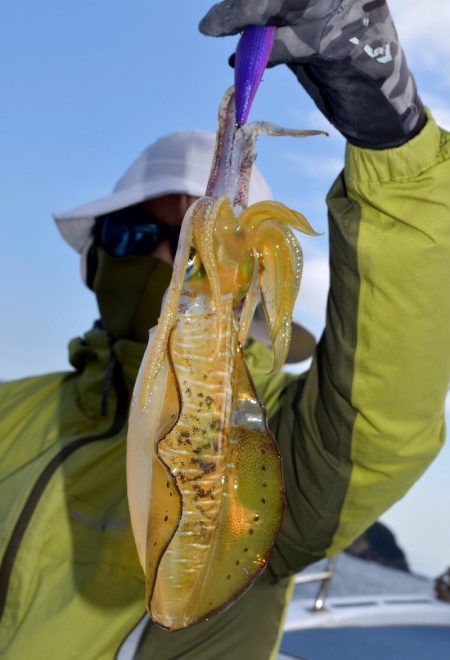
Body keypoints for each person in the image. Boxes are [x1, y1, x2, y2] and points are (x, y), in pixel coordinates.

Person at [1, 1, 449, 658]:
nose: (165, 258)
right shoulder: (13, 414)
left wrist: (393, 135)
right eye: (136, 235)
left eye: (190, 251)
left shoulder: (282, 455)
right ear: (95, 258)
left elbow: (382, 421)